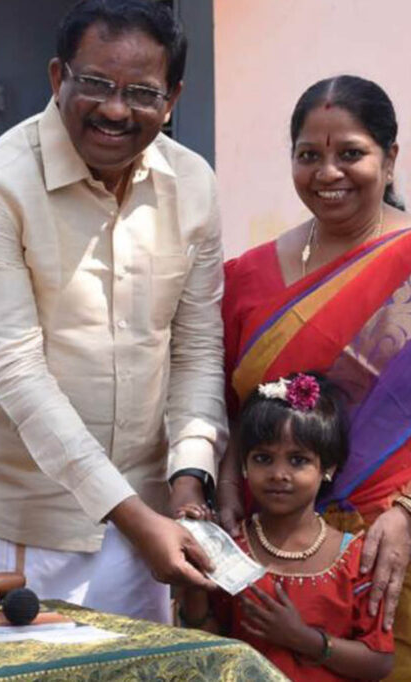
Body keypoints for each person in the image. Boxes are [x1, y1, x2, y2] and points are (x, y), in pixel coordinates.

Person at [0, 0, 226, 623]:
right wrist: (135, 515)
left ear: (172, 97)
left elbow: (197, 349)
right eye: (95, 83)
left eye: (142, 92)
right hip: (13, 525)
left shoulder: (194, 183)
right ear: (55, 78)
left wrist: (188, 479)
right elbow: (14, 373)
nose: (116, 110)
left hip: (144, 529)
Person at [219, 74, 411, 677]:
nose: (328, 173)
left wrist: (407, 513)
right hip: (265, 542)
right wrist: (226, 480)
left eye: (350, 153)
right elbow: (227, 403)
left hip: (390, 549)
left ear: (390, 158)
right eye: (309, 155)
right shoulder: (247, 277)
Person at [181, 373, 394, 681]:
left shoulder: (357, 559)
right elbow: (209, 643)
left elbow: (379, 662)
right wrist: (196, 575)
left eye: (298, 461)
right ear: (244, 465)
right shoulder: (232, 547)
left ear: (328, 468)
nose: (279, 473)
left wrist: (302, 639)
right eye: (263, 458)